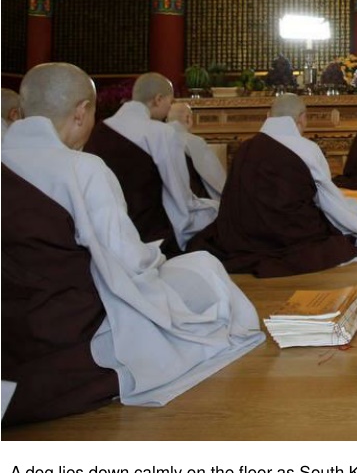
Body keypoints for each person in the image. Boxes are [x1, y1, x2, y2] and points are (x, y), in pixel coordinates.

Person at [2, 63, 263, 425]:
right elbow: (129, 261)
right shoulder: (80, 168)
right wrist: (153, 254)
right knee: (203, 267)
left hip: (10, 329)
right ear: (81, 112)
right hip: (71, 329)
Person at [190, 93, 357, 278]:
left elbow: (233, 194)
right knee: (351, 211)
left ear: (268, 115)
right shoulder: (307, 148)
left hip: (245, 230)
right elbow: (328, 199)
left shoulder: (245, 148)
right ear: (302, 118)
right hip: (290, 230)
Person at [83, 72, 217, 256]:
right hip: (151, 234)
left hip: (104, 233)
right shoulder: (161, 133)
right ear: (158, 99)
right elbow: (179, 196)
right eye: (169, 103)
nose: (168, 110)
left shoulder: (98, 131)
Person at [166, 102, 226, 201]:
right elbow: (217, 181)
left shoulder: (156, 140)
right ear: (188, 118)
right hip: (193, 202)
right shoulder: (194, 142)